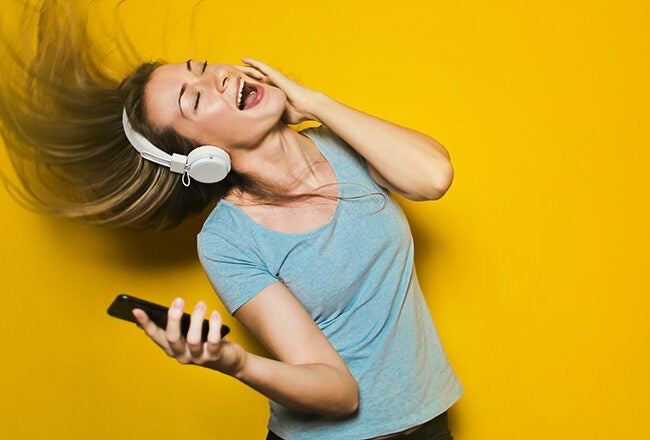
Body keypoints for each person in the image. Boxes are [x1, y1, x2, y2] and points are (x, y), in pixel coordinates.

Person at [0, 2, 462, 439]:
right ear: (201, 158)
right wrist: (233, 361)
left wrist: (316, 103)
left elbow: (433, 177)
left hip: (428, 422)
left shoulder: (345, 144)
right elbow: (338, 394)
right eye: (194, 102)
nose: (217, 78)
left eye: (201, 69)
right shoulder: (227, 239)